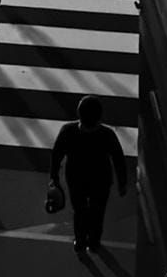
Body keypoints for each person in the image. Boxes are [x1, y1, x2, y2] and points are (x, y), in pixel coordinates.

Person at [49, 93, 127, 257]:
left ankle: (80, 241)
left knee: (79, 211)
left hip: (76, 179)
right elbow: (118, 159)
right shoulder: (107, 134)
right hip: (101, 180)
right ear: (99, 117)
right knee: (98, 213)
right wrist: (122, 183)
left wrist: (54, 178)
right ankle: (94, 242)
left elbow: (56, 155)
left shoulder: (68, 131)